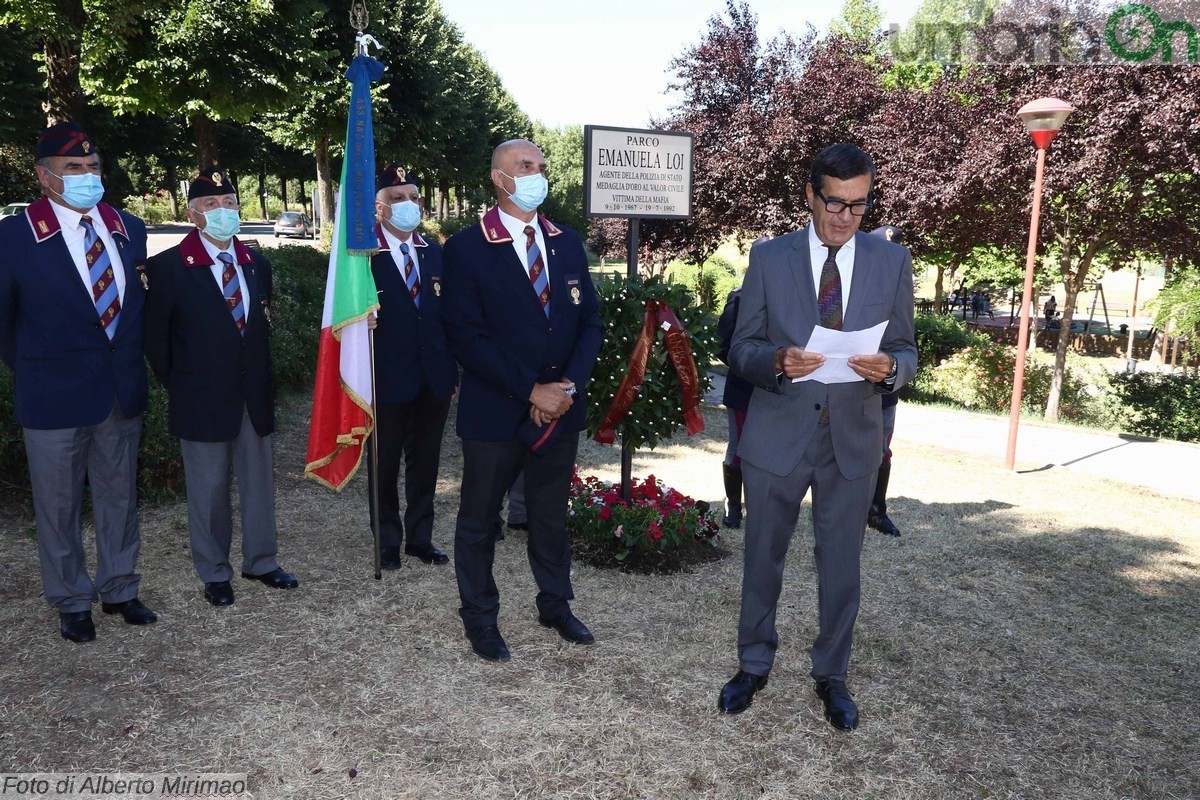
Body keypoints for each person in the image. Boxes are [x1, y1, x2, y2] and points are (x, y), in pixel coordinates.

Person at [719, 143, 917, 730]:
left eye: (858, 206)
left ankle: (832, 675)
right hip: (779, 431)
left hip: (852, 437)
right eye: (833, 202)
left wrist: (892, 369)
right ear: (809, 195)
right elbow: (740, 348)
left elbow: (905, 347)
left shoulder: (892, 262)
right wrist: (775, 360)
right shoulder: (768, 258)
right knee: (762, 557)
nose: (844, 217)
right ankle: (753, 664)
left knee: (841, 565)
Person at [441, 139, 603, 662]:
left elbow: (588, 326)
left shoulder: (567, 243)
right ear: (499, 177)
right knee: (480, 518)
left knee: (550, 516)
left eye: (539, 166)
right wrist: (530, 390)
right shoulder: (467, 248)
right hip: (495, 411)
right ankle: (481, 619)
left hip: (560, 409)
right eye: (524, 167)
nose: (535, 174)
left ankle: (555, 605)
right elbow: (466, 337)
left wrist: (565, 389)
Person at [0, 121, 157, 642]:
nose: (87, 176)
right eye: (74, 169)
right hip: (52, 395)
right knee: (59, 505)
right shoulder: (14, 237)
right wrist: (36, 369)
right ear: (46, 178)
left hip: (118, 390)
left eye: (93, 167)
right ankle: (70, 599)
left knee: (119, 497)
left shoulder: (128, 228)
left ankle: (120, 589)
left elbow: (136, 309)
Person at [144, 166, 298, 607]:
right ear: (193, 215)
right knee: (208, 491)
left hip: (253, 395)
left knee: (258, 484)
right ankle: (214, 572)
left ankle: (262, 561)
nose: (222, 211)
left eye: (229, 203)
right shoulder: (168, 267)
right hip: (200, 397)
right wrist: (184, 384)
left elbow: (257, 330)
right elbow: (156, 340)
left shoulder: (256, 263)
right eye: (211, 205)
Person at [367, 164, 457, 569]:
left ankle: (420, 538)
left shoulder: (433, 251)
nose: (408, 205)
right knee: (384, 464)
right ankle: (387, 540)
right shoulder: (363, 255)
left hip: (433, 376)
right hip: (385, 378)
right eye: (397, 198)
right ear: (379, 207)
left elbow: (447, 317)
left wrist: (451, 372)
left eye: (413, 198)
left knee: (426, 462)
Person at [716, 286, 754, 528]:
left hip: (778, 390)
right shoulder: (739, 297)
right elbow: (723, 343)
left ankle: (760, 507)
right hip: (743, 386)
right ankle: (733, 507)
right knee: (738, 447)